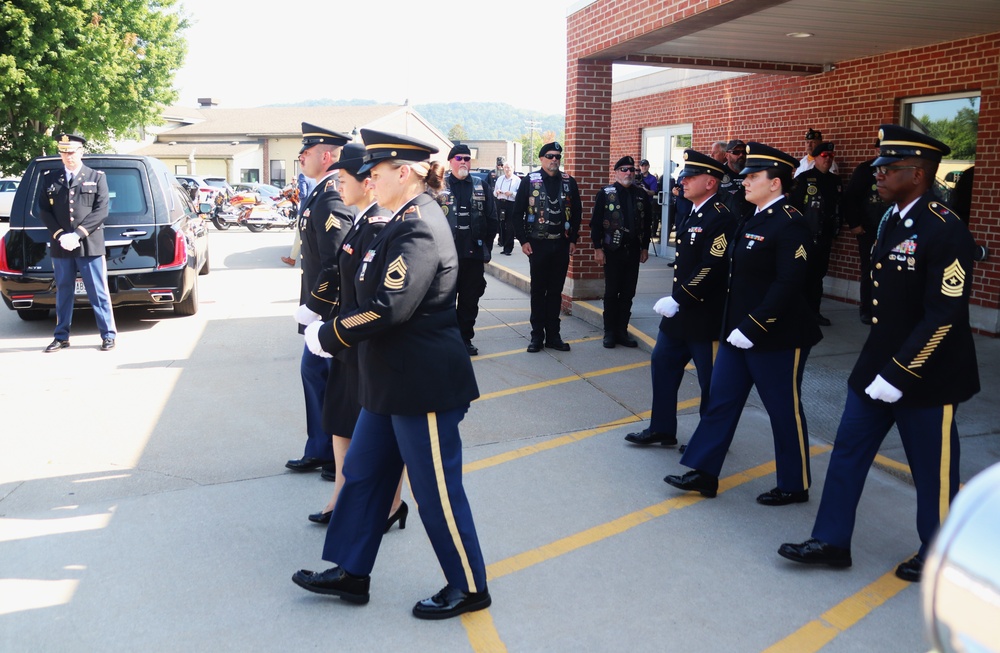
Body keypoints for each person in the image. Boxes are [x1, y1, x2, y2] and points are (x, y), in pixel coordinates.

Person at [293, 129, 491, 620]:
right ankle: (351, 571)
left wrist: (331, 334)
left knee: (435, 490)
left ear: (404, 173)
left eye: (376, 174)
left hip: (420, 383)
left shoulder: (420, 225)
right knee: (361, 473)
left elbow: (389, 306)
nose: (369, 181)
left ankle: (468, 585)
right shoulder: (397, 220)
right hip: (391, 380)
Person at [779, 125, 980, 583]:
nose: (878, 175)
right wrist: (883, 368)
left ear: (919, 173)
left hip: (927, 371)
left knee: (933, 470)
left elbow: (944, 316)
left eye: (888, 169)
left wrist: (901, 371)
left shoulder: (945, 230)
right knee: (848, 451)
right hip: (878, 363)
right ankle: (831, 540)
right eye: (878, 168)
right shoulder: (890, 217)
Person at [663, 143, 821, 505]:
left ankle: (794, 484)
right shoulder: (754, 216)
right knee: (721, 401)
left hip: (776, 335)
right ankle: (703, 471)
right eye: (746, 175)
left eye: (753, 176)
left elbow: (789, 283)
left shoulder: (791, 223)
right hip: (738, 333)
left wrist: (754, 325)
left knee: (783, 411)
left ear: (776, 183)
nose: (745, 181)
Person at [304, 143, 404, 529]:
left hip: (361, 341)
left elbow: (381, 300)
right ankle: (341, 498)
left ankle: (389, 503)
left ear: (367, 183)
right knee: (341, 422)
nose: (338, 186)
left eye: (345, 179)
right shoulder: (364, 219)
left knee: (376, 433)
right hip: (347, 339)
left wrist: (334, 330)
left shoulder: (379, 223)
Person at [625, 149, 736, 447]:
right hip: (680, 315)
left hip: (704, 315)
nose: (683, 181)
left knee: (710, 383)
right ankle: (662, 428)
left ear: (711, 182)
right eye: (684, 176)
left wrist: (680, 298)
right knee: (662, 365)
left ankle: (709, 442)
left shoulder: (721, 217)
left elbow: (711, 266)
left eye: (691, 177)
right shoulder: (694, 210)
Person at [285, 123, 354, 477]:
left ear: (325, 156)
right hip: (320, 308)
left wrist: (318, 308)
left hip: (330, 310)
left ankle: (332, 452)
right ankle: (321, 448)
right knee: (315, 375)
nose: (301, 157)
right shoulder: (320, 191)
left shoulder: (331, 196)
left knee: (324, 376)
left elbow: (336, 262)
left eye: (307, 152)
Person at [38, 133, 117, 353]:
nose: (67, 156)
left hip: (89, 244)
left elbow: (102, 210)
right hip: (61, 244)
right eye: (63, 152)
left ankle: (108, 335)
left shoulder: (96, 176)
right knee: (63, 291)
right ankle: (61, 336)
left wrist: (78, 234)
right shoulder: (50, 178)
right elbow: (44, 210)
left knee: (97, 291)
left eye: (71, 152)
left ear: (81, 152)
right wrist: (61, 234)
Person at [512, 142, 583, 352]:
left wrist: (573, 240)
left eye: (558, 157)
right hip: (538, 245)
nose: (554, 160)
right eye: (550, 156)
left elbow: (577, 213)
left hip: (561, 244)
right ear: (542, 159)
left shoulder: (569, 182)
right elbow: (517, 213)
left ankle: (553, 335)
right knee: (538, 291)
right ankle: (536, 337)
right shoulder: (530, 181)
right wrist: (523, 240)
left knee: (555, 292)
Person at [438, 144, 499, 355]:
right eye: (458, 158)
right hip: (446, 257)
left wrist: (487, 249)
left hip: (473, 255)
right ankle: (447, 340)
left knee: (469, 300)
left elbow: (492, 219)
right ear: (450, 161)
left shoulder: (481, 185)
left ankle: (465, 338)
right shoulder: (438, 186)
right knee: (444, 301)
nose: (463, 161)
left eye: (467, 158)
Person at [590, 155, 651, 348]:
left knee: (628, 293)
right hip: (612, 250)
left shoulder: (641, 194)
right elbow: (596, 223)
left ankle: (622, 330)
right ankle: (609, 331)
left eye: (631, 170)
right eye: (624, 169)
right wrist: (598, 248)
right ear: (616, 172)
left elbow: (647, 224)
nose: (628, 173)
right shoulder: (606, 193)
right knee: (611, 292)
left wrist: (645, 247)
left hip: (632, 250)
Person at [790, 142, 842, 326]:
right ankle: (797, 312)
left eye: (831, 156)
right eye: (824, 156)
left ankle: (814, 312)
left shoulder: (835, 181)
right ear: (816, 158)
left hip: (825, 237)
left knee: (818, 276)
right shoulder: (804, 179)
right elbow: (794, 208)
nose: (827, 159)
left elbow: (838, 207)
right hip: (806, 236)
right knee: (802, 275)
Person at [842, 139, 889, 325]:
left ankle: (886, 308)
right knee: (869, 270)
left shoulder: (896, 168)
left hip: (891, 231)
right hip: (868, 230)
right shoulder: (865, 169)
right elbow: (850, 198)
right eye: (879, 147)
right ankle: (867, 310)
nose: (881, 151)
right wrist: (855, 224)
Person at [282, 172, 316, 266]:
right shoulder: (316, 175)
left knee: (299, 234)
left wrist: (297, 193)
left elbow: (303, 194)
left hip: (305, 209)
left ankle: (292, 258)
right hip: (315, 209)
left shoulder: (303, 176)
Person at [494, 162, 521, 256]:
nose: (506, 169)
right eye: (505, 168)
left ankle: (508, 248)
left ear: (512, 168)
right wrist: (497, 192)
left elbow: (520, 194)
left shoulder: (517, 180)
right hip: (501, 203)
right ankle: (503, 243)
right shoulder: (500, 179)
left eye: (508, 168)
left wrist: (512, 193)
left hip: (511, 203)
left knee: (510, 226)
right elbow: (494, 192)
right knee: (501, 225)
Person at [718, 139, 749, 216]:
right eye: (736, 152)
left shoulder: (751, 174)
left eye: (744, 152)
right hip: (726, 222)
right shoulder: (719, 174)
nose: (741, 155)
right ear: (727, 155)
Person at [638, 158, 661, 240]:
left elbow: (653, 192)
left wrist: (645, 189)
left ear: (648, 167)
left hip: (647, 203)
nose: (643, 167)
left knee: (646, 224)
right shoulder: (636, 177)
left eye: (645, 166)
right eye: (642, 166)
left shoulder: (652, 178)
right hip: (637, 204)